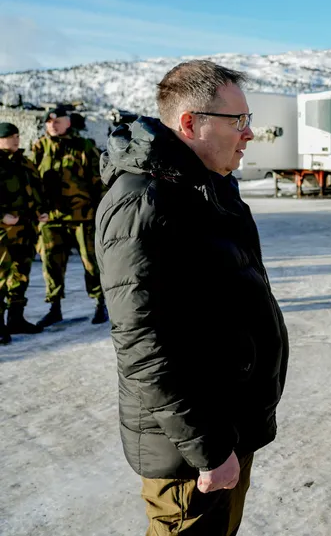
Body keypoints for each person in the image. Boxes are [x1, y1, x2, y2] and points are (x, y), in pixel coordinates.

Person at [95, 60, 289, 536]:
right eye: (238, 121)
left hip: (226, 427)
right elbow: (144, 347)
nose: (249, 134)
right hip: (192, 455)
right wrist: (208, 449)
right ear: (190, 123)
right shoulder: (143, 202)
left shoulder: (205, 186)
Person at [31, 104, 106, 326]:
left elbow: (98, 182)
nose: (53, 125)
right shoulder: (38, 148)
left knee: (91, 263)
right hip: (51, 219)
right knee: (51, 265)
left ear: (68, 123)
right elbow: (32, 184)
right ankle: (54, 307)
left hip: (82, 218)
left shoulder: (83, 146)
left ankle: (100, 303)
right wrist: (37, 210)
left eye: (58, 121)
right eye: (49, 122)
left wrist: (100, 213)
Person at [0, 122, 47, 343]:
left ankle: (16, 319)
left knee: (21, 275)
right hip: (3, 231)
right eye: (10, 136)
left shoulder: (25, 163)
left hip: (26, 228)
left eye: (17, 135)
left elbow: (36, 190)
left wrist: (41, 210)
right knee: (1, 277)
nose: (16, 139)